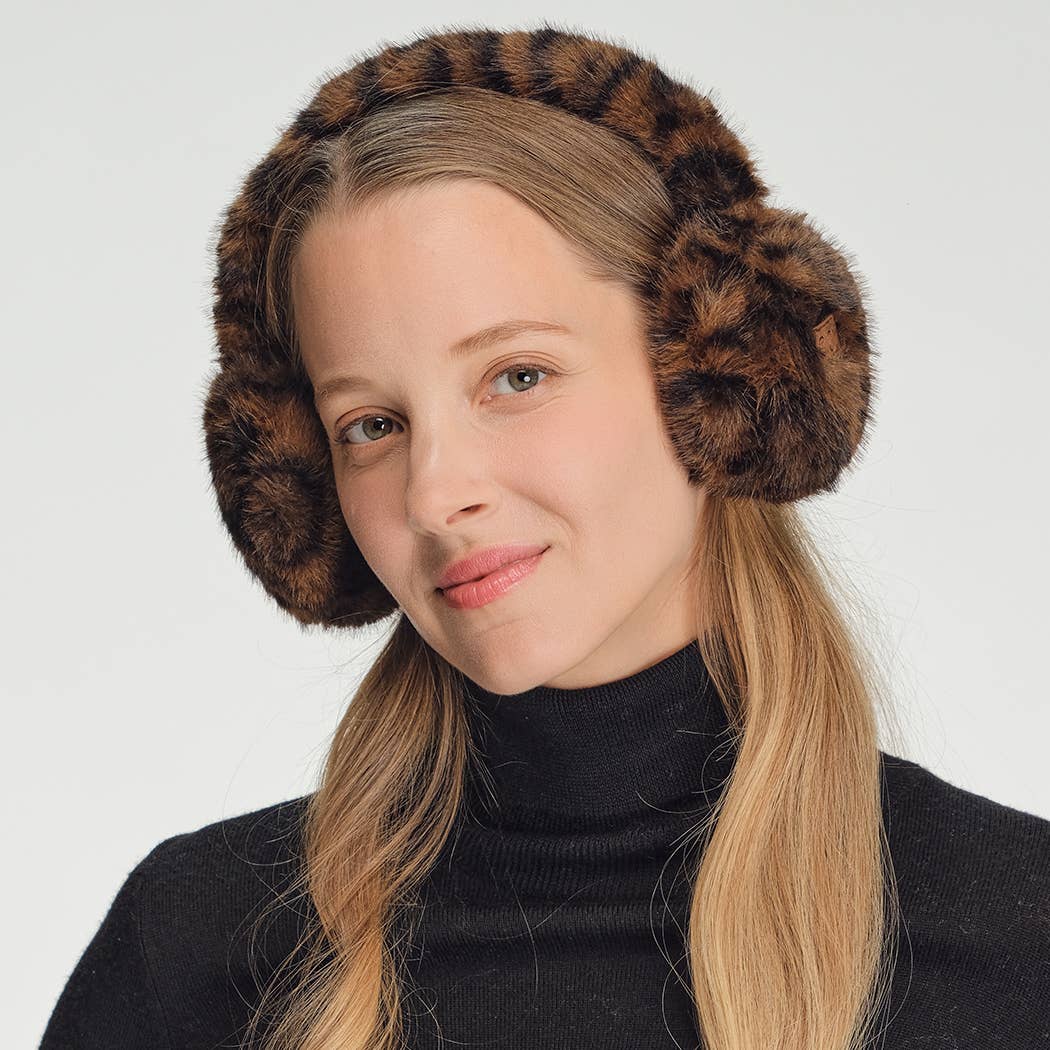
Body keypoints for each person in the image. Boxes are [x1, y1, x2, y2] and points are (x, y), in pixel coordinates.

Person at [39, 23, 1050, 1050]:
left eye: (516, 377)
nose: (435, 495)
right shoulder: (194, 955)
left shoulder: (1019, 940)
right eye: (371, 426)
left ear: (727, 374)